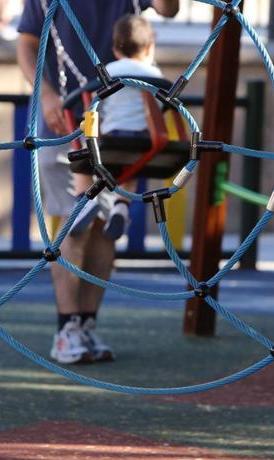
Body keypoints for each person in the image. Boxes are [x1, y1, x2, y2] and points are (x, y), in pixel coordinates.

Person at [17, 0, 179, 364]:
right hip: (67, 118)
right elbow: (27, 42)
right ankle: (67, 328)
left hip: (115, 128)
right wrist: (45, 94)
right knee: (74, 227)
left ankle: (87, 324)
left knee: (104, 227)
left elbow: (169, 9)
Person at [70, 14, 163, 241]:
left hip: (110, 140)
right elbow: (160, 106)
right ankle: (120, 206)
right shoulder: (155, 75)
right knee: (130, 168)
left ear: (115, 49)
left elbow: (95, 106)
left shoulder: (108, 71)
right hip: (145, 143)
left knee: (82, 160)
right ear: (150, 47)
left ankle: (84, 202)